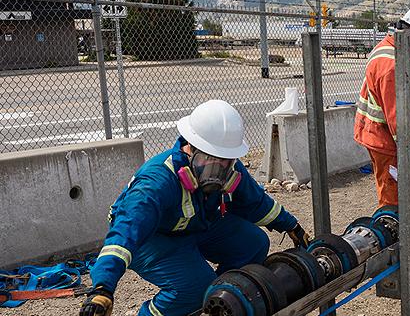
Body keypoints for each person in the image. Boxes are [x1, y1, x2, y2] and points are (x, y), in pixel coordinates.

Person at [79, 100, 309, 316]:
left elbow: (255, 202)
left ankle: (223, 300)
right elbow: (126, 233)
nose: (218, 172)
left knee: (254, 244)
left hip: (196, 224)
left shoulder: (230, 166)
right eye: (210, 161)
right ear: (190, 148)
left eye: (225, 162)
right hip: (151, 237)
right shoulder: (158, 181)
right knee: (194, 289)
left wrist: (291, 225)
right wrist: (103, 287)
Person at [354, 5, 410, 207]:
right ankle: (395, 235)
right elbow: (398, 121)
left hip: (391, 140)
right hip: (388, 142)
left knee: (402, 193)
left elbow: (397, 103)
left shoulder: (394, 52)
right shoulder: (392, 65)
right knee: (395, 200)